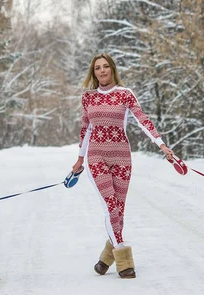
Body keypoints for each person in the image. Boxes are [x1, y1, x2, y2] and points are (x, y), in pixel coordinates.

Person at [71, 53, 174, 279]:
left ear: (112, 69)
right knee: (110, 207)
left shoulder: (125, 94)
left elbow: (143, 120)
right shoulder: (88, 97)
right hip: (96, 157)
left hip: (122, 159)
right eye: (97, 68)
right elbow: (86, 129)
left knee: (119, 210)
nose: (102, 71)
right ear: (93, 72)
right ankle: (124, 260)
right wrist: (79, 158)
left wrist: (162, 145)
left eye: (106, 66)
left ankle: (104, 260)